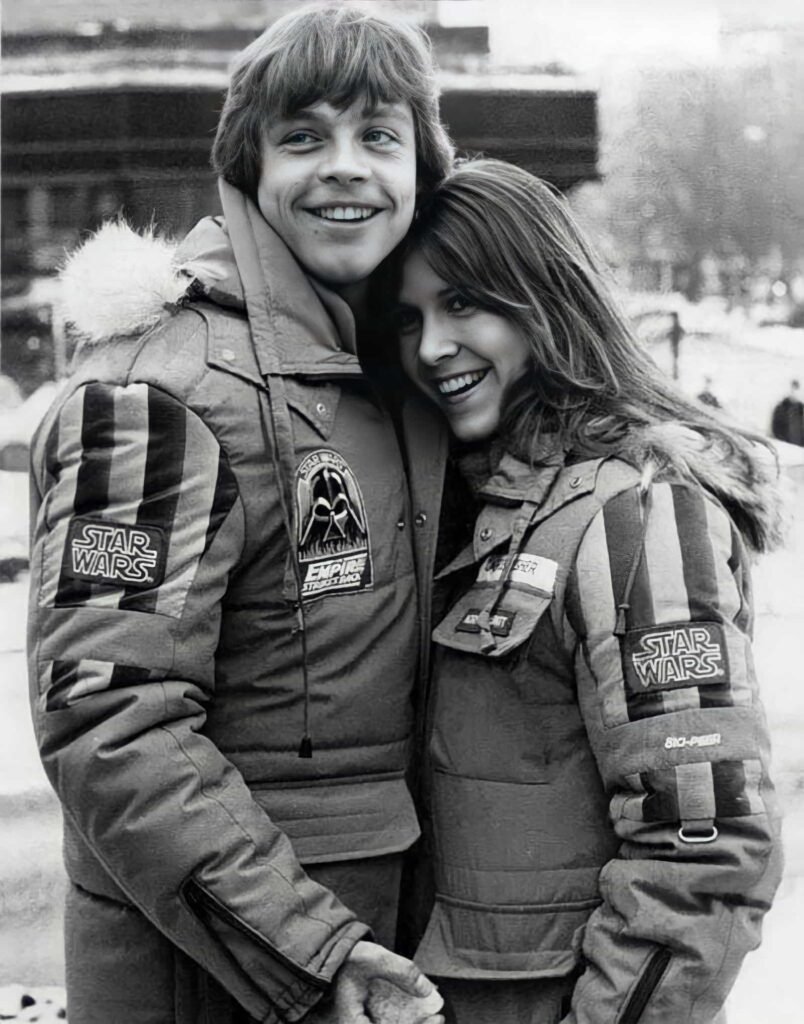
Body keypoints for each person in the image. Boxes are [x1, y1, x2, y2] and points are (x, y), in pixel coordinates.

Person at [26, 6, 454, 1023]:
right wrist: (315, 951)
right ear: (247, 167)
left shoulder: (395, 370)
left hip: (356, 958)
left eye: (378, 136)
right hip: (224, 976)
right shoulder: (161, 393)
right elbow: (107, 717)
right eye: (303, 137)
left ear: (422, 167)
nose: (345, 167)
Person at [392, 159, 783, 1023]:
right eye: (408, 317)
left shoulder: (636, 510)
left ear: (544, 297)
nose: (430, 346)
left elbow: (705, 850)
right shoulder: (474, 507)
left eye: (464, 303)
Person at [770, 379, 804, 445]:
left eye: (796, 389)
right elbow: (776, 431)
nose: (794, 392)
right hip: (785, 447)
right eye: (793, 388)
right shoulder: (781, 408)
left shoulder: (801, 410)